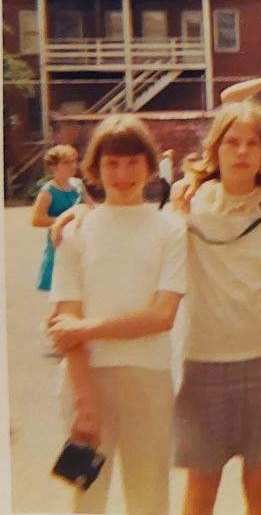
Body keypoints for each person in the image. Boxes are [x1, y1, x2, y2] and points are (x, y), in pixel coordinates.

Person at [47, 114, 187, 515]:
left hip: (150, 378)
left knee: (149, 500)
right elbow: (64, 326)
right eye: (112, 163)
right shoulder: (75, 231)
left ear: (149, 165)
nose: (122, 173)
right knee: (87, 500)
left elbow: (162, 316)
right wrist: (86, 405)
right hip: (87, 380)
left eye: (132, 162)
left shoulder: (170, 227)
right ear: (94, 168)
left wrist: (85, 328)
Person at [171, 101, 261, 515]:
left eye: (252, 144)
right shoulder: (188, 206)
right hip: (204, 362)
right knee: (200, 487)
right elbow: (140, 231)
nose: (242, 152)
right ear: (216, 149)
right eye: (232, 142)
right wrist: (78, 215)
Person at [30, 144, 83, 292]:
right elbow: (37, 219)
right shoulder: (48, 191)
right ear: (54, 167)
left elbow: (90, 207)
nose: (73, 165)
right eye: (67, 162)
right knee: (61, 294)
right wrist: (63, 220)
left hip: (79, 242)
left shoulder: (78, 185)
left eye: (74, 161)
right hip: (58, 243)